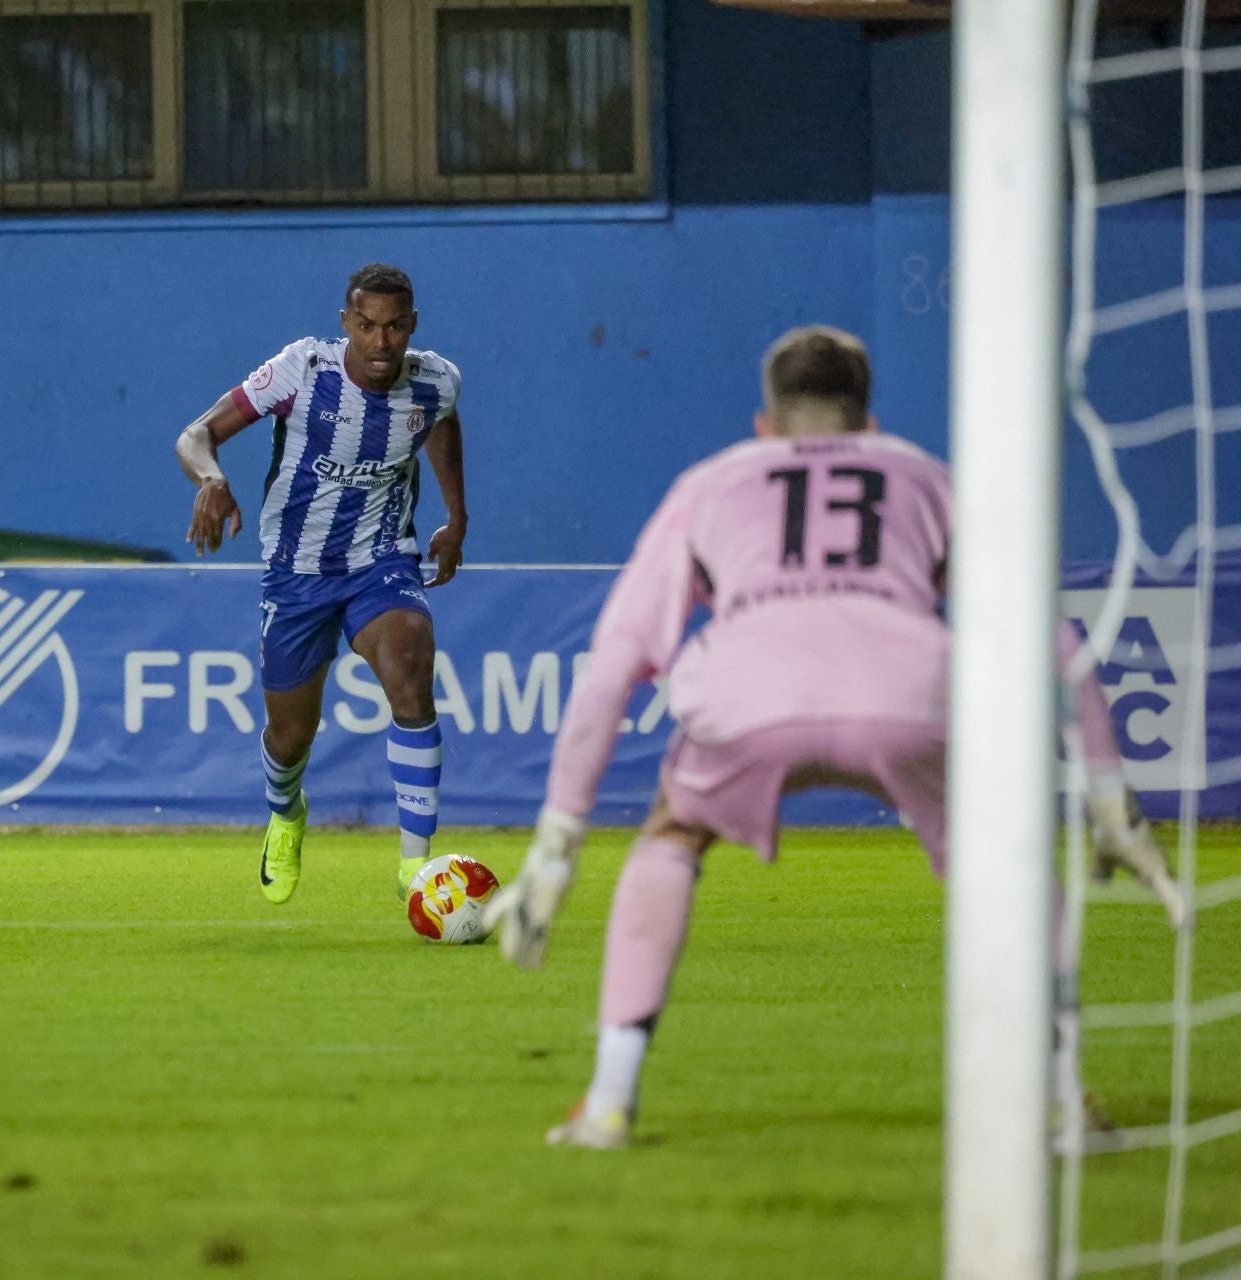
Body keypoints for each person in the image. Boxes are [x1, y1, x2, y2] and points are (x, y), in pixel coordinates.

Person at [485, 325, 1181, 1149]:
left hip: (750, 692)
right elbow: (1056, 643)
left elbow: (611, 670)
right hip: (913, 690)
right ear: (870, 424)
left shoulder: (708, 485)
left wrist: (557, 845)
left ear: (764, 426)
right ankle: (1066, 1104)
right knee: (1012, 860)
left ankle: (607, 1102)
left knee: (673, 829)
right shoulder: (926, 477)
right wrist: (1112, 805)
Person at [176, 263, 468, 903]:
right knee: (289, 738)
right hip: (296, 573)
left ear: (411, 327)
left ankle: (416, 868)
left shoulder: (435, 381)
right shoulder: (301, 370)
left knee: (412, 672)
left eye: (394, 328)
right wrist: (211, 481)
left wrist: (456, 515)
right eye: (366, 326)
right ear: (347, 325)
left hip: (382, 559)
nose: (381, 342)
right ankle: (286, 813)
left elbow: (441, 423)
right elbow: (196, 435)